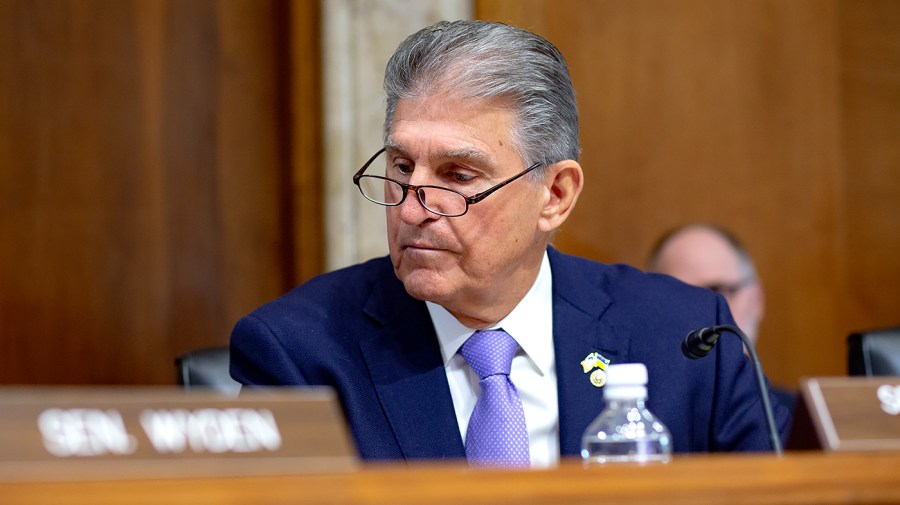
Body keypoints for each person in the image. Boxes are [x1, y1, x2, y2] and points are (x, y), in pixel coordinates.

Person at [230, 20, 791, 468]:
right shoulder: (299, 354)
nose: (409, 208)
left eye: (458, 175)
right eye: (402, 167)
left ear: (555, 194)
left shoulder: (682, 337)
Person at [647, 223, 796, 412]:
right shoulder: (635, 426)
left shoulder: (805, 425)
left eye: (718, 292)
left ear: (756, 299)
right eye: (681, 295)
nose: (701, 311)